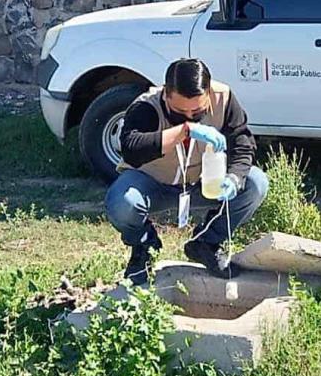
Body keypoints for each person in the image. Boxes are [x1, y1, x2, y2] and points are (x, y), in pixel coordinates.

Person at [104, 58, 268, 285]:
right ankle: (144, 248)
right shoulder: (146, 106)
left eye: (198, 111)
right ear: (166, 94)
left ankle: (206, 244)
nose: (190, 116)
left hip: (203, 185)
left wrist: (234, 177)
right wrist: (184, 130)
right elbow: (131, 149)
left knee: (255, 183)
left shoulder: (224, 98)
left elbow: (243, 144)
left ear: (209, 94)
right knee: (123, 202)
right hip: (153, 185)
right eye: (180, 111)